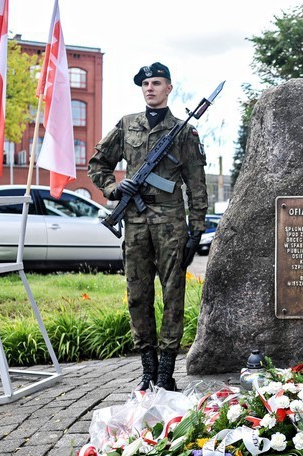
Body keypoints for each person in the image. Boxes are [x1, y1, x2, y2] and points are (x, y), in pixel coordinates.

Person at [88, 62, 208, 392]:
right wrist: (114, 189)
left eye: (156, 83)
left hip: (171, 224)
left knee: (173, 295)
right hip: (136, 222)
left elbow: (196, 184)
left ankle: (166, 371)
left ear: (169, 88)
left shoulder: (183, 131)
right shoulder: (126, 126)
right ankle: (147, 368)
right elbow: (98, 164)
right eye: (145, 84)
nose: (150, 88)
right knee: (138, 295)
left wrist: (196, 230)